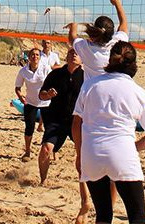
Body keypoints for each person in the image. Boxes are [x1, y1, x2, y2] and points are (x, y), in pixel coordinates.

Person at [72, 41, 145, 224]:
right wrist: (135, 147)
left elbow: (76, 124)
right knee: (137, 215)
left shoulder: (90, 85)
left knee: (103, 215)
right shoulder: (137, 91)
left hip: (91, 153)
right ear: (134, 63)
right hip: (122, 154)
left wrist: (79, 154)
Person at [38, 49, 90, 224]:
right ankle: (43, 180)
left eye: (77, 53)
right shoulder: (56, 74)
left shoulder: (87, 76)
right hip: (57, 120)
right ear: (66, 57)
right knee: (46, 149)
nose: (74, 55)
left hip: (78, 121)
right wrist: (47, 94)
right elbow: (41, 94)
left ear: (82, 58)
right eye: (71, 53)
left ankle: (87, 188)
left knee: (84, 156)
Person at [65, 0, 128, 81]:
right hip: (113, 89)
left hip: (92, 91)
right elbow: (123, 23)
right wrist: (117, 3)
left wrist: (73, 26)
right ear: (112, 32)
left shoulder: (86, 47)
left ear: (94, 29)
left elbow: (72, 37)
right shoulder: (119, 44)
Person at [14, 48, 49, 162]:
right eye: (33, 55)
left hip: (46, 102)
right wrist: (20, 98)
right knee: (29, 128)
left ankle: (51, 152)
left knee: (49, 129)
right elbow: (17, 88)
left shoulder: (45, 68)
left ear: (40, 57)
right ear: (28, 57)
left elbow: (53, 82)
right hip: (30, 102)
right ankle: (28, 151)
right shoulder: (23, 71)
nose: (35, 57)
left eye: (37, 55)